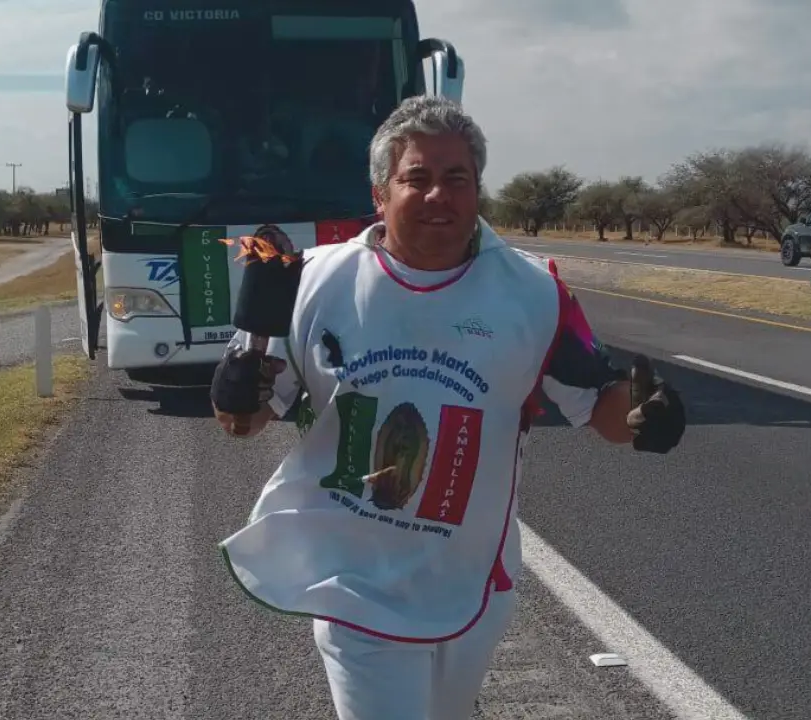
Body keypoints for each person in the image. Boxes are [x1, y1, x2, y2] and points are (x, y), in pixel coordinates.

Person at [210, 95, 686, 720]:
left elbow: (598, 406)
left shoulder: (534, 293)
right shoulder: (312, 283)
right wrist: (233, 397)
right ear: (381, 193)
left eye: (457, 178)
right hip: (353, 576)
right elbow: (245, 421)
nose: (439, 195)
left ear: (478, 190)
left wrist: (645, 416)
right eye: (418, 178)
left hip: (471, 576)